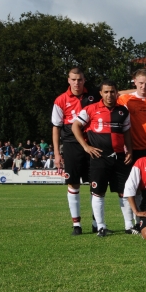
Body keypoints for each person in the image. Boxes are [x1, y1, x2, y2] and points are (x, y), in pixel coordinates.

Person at [71, 80, 132, 238]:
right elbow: (75, 126)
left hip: (119, 157)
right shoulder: (90, 109)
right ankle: (101, 227)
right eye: (106, 92)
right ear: (100, 94)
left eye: (112, 92)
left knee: (124, 192)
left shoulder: (123, 111)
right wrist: (86, 147)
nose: (109, 95)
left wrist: (129, 150)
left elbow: (126, 133)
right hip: (99, 158)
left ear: (116, 93)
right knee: (98, 193)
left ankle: (129, 225)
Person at [51, 67, 101, 235]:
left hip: (92, 143)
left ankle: (97, 222)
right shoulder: (60, 100)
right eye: (73, 79)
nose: (77, 83)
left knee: (95, 184)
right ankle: (77, 225)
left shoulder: (94, 96)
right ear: (68, 80)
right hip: (71, 145)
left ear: (84, 80)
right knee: (73, 184)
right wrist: (57, 154)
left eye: (80, 79)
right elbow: (56, 127)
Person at [118, 69, 146, 161]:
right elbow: (115, 93)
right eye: (141, 83)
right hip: (134, 147)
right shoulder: (126, 98)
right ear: (135, 82)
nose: (144, 86)